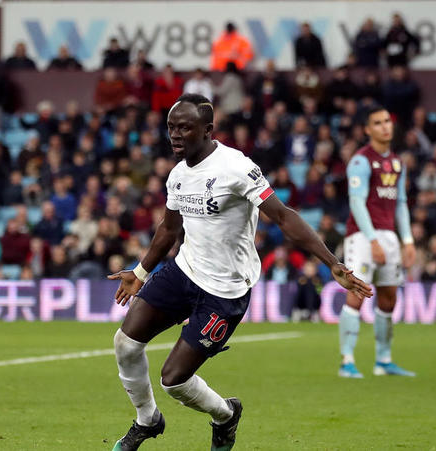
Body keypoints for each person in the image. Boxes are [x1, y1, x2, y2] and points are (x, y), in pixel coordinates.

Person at [107, 94, 371, 451]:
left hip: (225, 291)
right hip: (184, 271)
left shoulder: (235, 166)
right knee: (125, 344)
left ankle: (226, 415)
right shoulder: (178, 175)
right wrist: (140, 272)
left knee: (174, 381)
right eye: (171, 127)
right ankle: (147, 420)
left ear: (208, 130)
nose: (176, 135)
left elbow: (283, 216)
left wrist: (331, 262)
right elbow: (169, 230)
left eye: (185, 127)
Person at [338, 106, 417, 379]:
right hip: (362, 235)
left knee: (388, 298)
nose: (385, 126)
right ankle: (347, 361)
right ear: (368, 129)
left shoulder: (397, 163)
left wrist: (407, 240)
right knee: (357, 293)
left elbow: (402, 203)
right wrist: (372, 240)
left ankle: (383, 360)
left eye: (387, 121)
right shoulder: (360, 161)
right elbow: (356, 202)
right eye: (378, 123)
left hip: (389, 235)